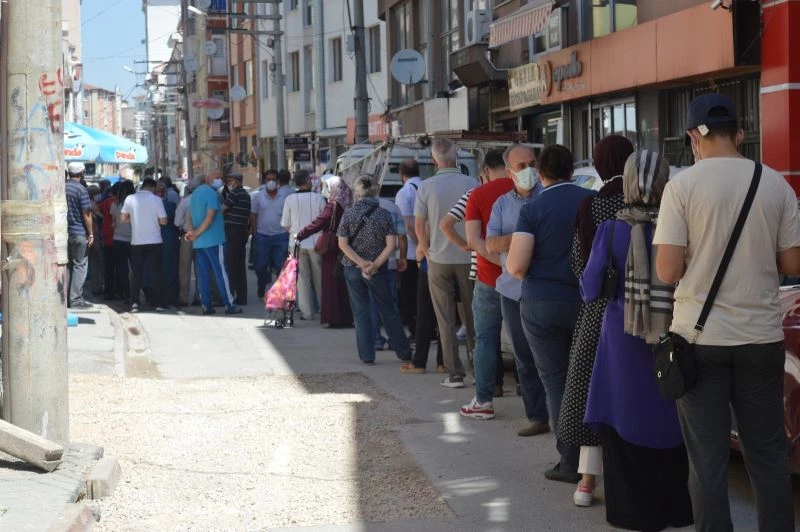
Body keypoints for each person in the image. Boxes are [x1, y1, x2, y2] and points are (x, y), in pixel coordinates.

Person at [654, 93, 800, 531]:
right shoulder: (775, 183)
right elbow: (793, 265)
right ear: (739, 132)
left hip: (700, 342)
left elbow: (666, 270)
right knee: (769, 454)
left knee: (707, 460)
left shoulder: (681, 187)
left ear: (693, 137)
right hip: (760, 339)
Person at [581, 150, 694, 530]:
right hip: (672, 342)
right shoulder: (681, 229)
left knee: (625, 423)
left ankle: (634, 514)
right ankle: (675, 510)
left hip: (623, 345)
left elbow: (590, 287)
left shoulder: (612, 230)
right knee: (670, 421)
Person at [507, 144, 595, 484]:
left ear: (540, 173)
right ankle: (594, 462)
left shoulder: (532, 208)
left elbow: (516, 266)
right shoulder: (590, 202)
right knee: (586, 380)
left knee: (556, 382)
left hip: (541, 304)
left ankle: (569, 461)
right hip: (586, 302)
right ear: (572, 170)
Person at [557, 134, 634, 507]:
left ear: (600, 164)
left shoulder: (590, 207)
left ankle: (586, 481)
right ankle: (633, 477)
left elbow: (578, 264)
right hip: (642, 312)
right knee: (634, 391)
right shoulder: (648, 203)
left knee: (591, 391)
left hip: (597, 312)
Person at [486, 145, 549, 436]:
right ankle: (536, 416)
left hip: (546, 289)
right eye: (521, 166)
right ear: (510, 171)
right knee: (523, 357)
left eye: (532, 163)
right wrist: (523, 236)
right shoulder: (502, 205)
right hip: (513, 290)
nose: (529, 170)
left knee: (550, 357)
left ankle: (559, 413)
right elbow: (491, 245)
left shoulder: (548, 197)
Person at [415, 138, 479, 388]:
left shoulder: (426, 187)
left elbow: (420, 225)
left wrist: (428, 251)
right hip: (469, 258)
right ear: (456, 159)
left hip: (439, 260)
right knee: (473, 316)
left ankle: (454, 373)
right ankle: (478, 368)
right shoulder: (472, 183)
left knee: (445, 318)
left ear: (434, 160)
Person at [459, 149, 514, 420]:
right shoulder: (526, 189)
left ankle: (483, 400)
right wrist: (513, 264)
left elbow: (472, 240)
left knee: (485, 340)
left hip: (488, 278)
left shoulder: (477, 195)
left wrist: (497, 261)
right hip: (522, 276)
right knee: (526, 341)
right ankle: (536, 404)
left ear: (485, 170)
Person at [337, 175, 413, 365]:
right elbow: (391, 245)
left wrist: (361, 263)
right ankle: (403, 352)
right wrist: (374, 265)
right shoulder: (384, 214)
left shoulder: (348, 213)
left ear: (357, 192)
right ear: (376, 190)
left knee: (360, 312)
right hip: (378, 270)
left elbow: (343, 244)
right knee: (388, 309)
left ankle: (367, 355)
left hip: (353, 269)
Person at [296, 176, 353, 327]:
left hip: (332, 248)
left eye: (327, 186)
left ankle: (334, 318)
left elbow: (319, 222)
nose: (325, 190)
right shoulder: (348, 203)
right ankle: (345, 317)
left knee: (331, 283)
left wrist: (302, 233)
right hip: (346, 246)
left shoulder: (333, 205)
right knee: (342, 285)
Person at [186, 172, 243, 315]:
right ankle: (229, 305)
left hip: (199, 242)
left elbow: (188, 216)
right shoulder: (211, 193)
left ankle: (206, 306)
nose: (218, 180)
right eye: (215, 177)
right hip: (214, 239)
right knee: (221, 273)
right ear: (207, 179)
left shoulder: (194, 195)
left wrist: (193, 233)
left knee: (203, 275)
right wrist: (197, 233)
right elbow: (210, 217)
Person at [281, 169, 326, 320]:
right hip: (317, 243)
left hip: (296, 244)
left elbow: (285, 225)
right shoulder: (319, 198)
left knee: (302, 279)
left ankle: (307, 312)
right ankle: (324, 309)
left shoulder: (289, 200)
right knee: (320, 277)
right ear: (308, 181)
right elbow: (324, 222)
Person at [121, 178, 167, 312]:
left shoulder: (130, 198)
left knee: (136, 273)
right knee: (155, 272)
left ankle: (134, 302)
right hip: (155, 240)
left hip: (137, 241)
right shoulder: (157, 200)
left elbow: (123, 219)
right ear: (152, 187)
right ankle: (158, 303)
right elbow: (163, 221)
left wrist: (135, 219)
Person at [370, 196, 407, 350]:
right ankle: (395, 340)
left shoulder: (355, 208)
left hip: (366, 264)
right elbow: (402, 237)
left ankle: (376, 339)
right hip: (389, 262)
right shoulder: (391, 207)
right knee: (390, 302)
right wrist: (403, 257)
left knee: (371, 302)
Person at [251, 170, 289, 300]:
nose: (271, 182)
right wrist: (255, 232)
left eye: (273, 179)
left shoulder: (284, 196)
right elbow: (253, 215)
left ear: (277, 181)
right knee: (261, 266)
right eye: (268, 179)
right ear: (264, 181)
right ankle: (261, 285)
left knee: (280, 266)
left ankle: (278, 293)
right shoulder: (258, 197)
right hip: (262, 236)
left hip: (281, 236)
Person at [394, 159, 422, 335]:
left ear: (401, 174)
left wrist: (422, 244)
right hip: (434, 250)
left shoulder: (405, 193)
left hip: (413, 253)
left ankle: (415, 331)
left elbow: (408, 226)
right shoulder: (428, 186)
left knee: (410, 294)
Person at [65, 162, 94, 309]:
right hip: (78, 232)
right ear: (82, 173)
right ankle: (75, 299)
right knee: (80, 265)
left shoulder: (63, 187)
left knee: (68, 266)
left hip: (64, 232)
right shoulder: (81, 189)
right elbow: (87, 213)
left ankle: (67, 298)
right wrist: (91, 233)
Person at [222, 172, 252, 305]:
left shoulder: (236, 193)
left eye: (230, 181)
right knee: (239, 265)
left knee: (232, 264)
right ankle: (241, 297)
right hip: (241, 231)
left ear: (236, 181)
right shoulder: (245, 194)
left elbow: (223, 209)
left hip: (233, 232)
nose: (229, 184)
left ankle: (231, 295)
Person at [175, 178, 199, 306]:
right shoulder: (205, 201)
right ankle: (199, 296)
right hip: (202, 236)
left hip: (187, 236)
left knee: (184, 268)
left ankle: (183, 297)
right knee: (201, 268)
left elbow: (177, 222)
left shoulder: (184, 202)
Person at [157, 178, 180, 307]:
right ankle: (171, 297)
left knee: (162, 269)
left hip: (159, 239)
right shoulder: (169, 205)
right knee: (170, 268)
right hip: (170, 238)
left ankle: (162, 297)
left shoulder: (156, 204)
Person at [110, 180, 134, 304]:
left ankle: (125, 293)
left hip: (118, 239)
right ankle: (135, 294)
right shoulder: (135, 204)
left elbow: (113, 223)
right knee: (135, 268)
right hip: (133, 239)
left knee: (122, 268)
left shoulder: (115, 205)